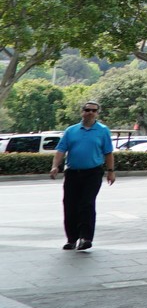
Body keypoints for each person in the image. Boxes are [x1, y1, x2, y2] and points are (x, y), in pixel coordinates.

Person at [49, 100, 115, 251]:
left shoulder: (103, 130)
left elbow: (108, 152)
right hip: (73, 173)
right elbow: (61, 150)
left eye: (94, 110)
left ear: (97, 113)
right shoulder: (71, 131)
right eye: (87, 110)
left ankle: (86, 238)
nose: (90, 113)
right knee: (70, 205)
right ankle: (71, 239)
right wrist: (55, 166)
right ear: (82, 112)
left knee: (87, 203)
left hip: (93, 173)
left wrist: (111, 171)